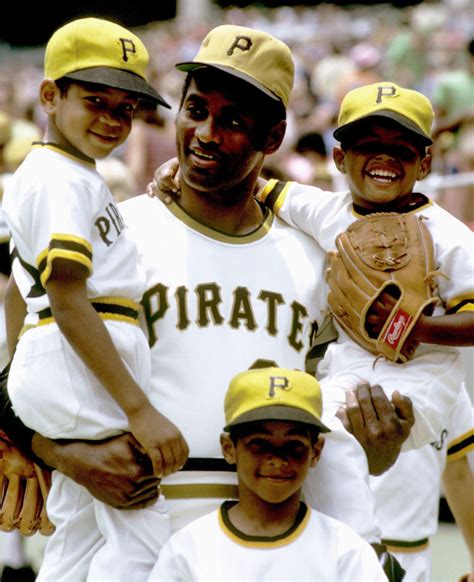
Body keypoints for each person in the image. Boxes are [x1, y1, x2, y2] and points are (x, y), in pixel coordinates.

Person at [1, 24, 413, 579]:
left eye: (235, 121)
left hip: (265, 549)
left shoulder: (314, 261)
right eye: (195, 109)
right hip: (121, 530)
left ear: (274, 137)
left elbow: (333, 419)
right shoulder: (117, 231)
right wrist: (56, 452)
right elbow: (20, 360)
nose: (205, 134)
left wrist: (375, 447)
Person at [2, 17, 188, 582]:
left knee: (79, 535)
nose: (111, 118)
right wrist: (140, 410)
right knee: (145, 525)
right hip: (76, 352)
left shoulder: (68, 172)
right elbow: (66, 297)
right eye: (95, 100)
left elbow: (16, 289)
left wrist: (17, 377)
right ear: (50, 95)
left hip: (60, 353)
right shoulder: (61, 177)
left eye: (125, 108)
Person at [253, 81, 474, 452]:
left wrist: (416, 325)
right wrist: (176, 169)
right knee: (293, 426)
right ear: (340, 158)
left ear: (424, 164)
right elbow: (254, 185)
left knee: (328, 439)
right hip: (346, 371)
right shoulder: (326, 210)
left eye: (400, 150)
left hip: (419, 380)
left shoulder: (448, 234)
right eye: (369, 146)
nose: (384, 158)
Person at [148, 366, 388, 581]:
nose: (277, 459)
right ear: (229, 449)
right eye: (260, 444)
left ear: (316, 452)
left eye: (294, 445)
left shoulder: (345, 550)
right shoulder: (189, 548)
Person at [368, 383, 474, 582]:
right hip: (355, 545)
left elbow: (457, 473)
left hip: (416, 553)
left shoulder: (450, 382)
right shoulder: (347, 371)